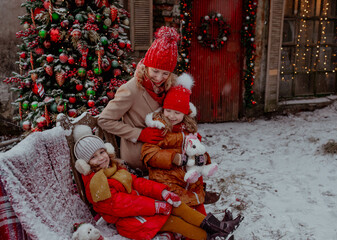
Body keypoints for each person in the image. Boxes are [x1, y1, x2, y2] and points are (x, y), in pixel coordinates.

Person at [72, 125, 242, 240]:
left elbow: (138, 183)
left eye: (101, 152)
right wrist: (156, 206)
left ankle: (220, 227)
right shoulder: (97, 185)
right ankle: (214, 236)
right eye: (93, 157)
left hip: (143, 209)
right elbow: (125, 205)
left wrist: (163, 193)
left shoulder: (114, 169)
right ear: (86, 164)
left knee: (178, 205)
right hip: (132, 221)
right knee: (176, 222)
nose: (101, 158)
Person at [97, 26, 180, 174]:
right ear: (146, 66)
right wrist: (139, 134)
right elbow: (104, 120)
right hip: (139, 158)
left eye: (165, 73)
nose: (159, 78)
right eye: (155, 71)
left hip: (165, 152)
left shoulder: (169, 88)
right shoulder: (131, 89)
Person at [141, 73, 219, 216]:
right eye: (168, 111)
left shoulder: (188, 129)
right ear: (163, 109)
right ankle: (202, 227)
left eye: (177, 113)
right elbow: (149, 154)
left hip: (186, 175)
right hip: (165, 176)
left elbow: (198, 148)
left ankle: (209, 224)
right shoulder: (159, 128)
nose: (171, 116)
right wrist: (173, 158)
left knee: (196, 191)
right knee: (183, 198)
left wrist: (204, 159)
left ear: (185, 114)